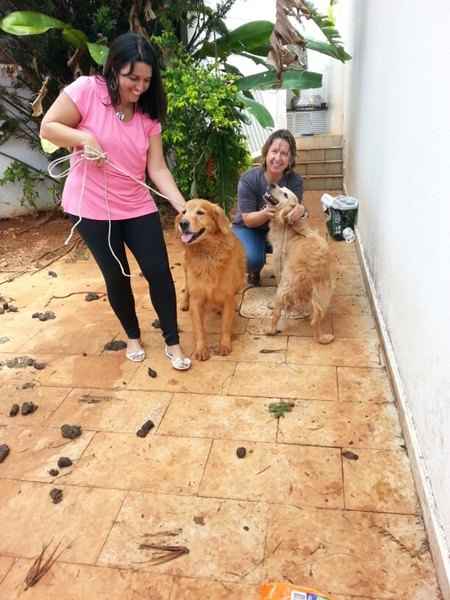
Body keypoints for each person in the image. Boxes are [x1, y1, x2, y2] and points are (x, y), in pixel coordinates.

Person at [40, 32, 191, 370]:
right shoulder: (86, 91)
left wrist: (184, 206)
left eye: (147, 80)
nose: (139, 87)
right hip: (92, 209)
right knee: (117, 276)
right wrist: (84, 137)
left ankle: (173, 341)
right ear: (113, 69)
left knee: (159, 273)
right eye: (132, 78)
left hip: (137, 205)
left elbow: (158, 168)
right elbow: (48, 128)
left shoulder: (149, 116)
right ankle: (134, 335)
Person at [232, 129, 305, 286]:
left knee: (300, 250)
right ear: (266, 153)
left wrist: (301, 211)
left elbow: (295, 209)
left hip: (280, 227)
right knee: (252, 258)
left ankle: (288, 280)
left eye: (284, 153)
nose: (278, 158)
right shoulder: (248, 179)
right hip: (250, 228)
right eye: (274, 151)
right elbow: (248, 220)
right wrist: (266, 213)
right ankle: (254, 269)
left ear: (291, 159)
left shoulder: (295, 181)